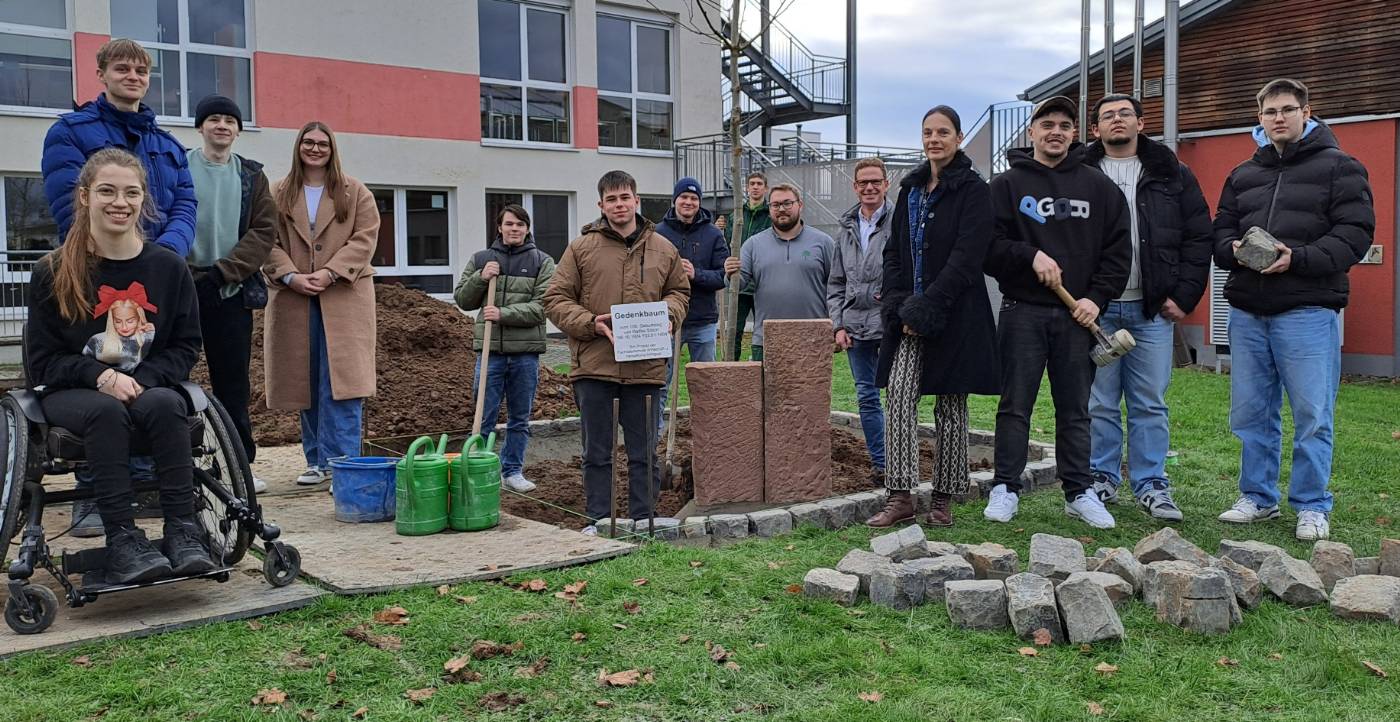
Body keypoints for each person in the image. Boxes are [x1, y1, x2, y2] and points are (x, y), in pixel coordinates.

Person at [27, 148, 209, 584]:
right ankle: (123, 538)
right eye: (107, 191)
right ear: (85, 196)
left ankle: (183, 529)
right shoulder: (54, 271)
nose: (119, 202)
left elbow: (185, 347)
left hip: (146, 387)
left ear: (143, 200)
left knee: (168, 404)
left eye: (131, 193)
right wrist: (101, 376)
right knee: (104, 410)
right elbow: (43, 362)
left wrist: (141, 378)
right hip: (75, 393)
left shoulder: (168, 267)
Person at [40, 37, 198, 536]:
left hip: (150, 262)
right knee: (104, 404)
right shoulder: (71, 132)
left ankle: (178, 520)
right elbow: (70, 201)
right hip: (94, 264)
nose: (133, 76)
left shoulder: (167, 145)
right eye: (122, 68)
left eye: (142, 70)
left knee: (163, 398)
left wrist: (159, 257)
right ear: (103, 73)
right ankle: (102, 500)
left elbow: (184, 205)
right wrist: (105, 250)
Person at [1212, 79, 1375, 541]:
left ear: (1307, 112)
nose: (1279, 118)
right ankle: (1258, 498)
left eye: (1288, 109)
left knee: (1312, 413)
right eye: (1270, 112)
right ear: (1259, 117)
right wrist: (1233, 249)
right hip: (1248, 312)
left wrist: (1295, 259)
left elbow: (1354, 235)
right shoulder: (1243, 173)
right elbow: (1220, 228)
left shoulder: (1341, 167)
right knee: (1251, 412)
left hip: (1307, 310)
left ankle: (1311, 504)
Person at [982, 95, 1131, 530]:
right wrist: (1029, 255)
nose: (1055, 131)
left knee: (1075, 408)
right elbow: (987, 247)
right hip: (1022, 312)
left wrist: (1095, 299)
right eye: (1047, 124)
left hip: (1076, 317)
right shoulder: (1006, 187)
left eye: (1065, 125)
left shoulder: (1098, 187)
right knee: (1016, 406)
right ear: (1032, 133)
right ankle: (1005, 487)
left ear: (1074, 134)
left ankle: (1078, 490)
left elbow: (1118, 252)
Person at [866, 106, 1000, 528]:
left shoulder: (974, 191)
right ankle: (900, 494)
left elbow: (967, 257)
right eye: (927, 132)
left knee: (950, 406)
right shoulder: (910, 190)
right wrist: (901, 303)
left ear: (958, 138)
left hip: (955, 314)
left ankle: (943, 497)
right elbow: (894, 252)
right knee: (900, 397)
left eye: (943, 132)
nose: (934, 139)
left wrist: (929, 305)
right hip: (907, 315)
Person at [1083, 93, 1214, 522]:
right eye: (1107, 116)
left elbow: (1199, 236)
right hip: (1098, 310)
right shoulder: (1080, 173)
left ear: (1141, 123)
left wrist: (1185, 295)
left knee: (1149, 402)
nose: (1116, 120)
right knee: (1100, 401)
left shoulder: (1172, 173)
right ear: (1095, 129)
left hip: (1152, 310)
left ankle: (1152, 483)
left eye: (1125, 114)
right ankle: (1101, 478)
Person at [543, 171, 689, 534]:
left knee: (644, 451)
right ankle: (598, 518)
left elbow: (680, 293)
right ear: (601, 205)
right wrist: (591, 323)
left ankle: (644, 518)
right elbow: (555, 299)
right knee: (598, 452)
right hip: (595, 366)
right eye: (611, 199)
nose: (619, 205)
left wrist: (669, 314)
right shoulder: (580, 248)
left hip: (646, 366)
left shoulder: (664, 248)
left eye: (625, 197)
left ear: (636, 201)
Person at [263, 122, 380, 488]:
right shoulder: (279, 191)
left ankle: (344, 462)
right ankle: (316, 460)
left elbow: (365, 238)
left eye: (322, 143)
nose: (315, 149)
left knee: (342, 382)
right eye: (308, 142)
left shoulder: (354, 191)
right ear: (298, 147)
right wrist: (289, 275)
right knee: (306, 381)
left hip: (343, 295)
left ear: (332, 149)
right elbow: (265, 239)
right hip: (295, 297)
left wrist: (331, 272)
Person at [186, 95, 278, 494]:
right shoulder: (179, 166)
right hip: (182, 289)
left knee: (232, 385)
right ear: (201, 126)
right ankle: (177, 465)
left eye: (229, 120)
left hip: (230, 290)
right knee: (172, 380)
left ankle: (240, 465)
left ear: (238, 130)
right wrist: (181, 273)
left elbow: (263, 231)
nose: (222, 125)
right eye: (214, 119)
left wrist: (224, 271)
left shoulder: (253, 176)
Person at [454, 204, 556, 493]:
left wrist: (503, 314)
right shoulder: (482, 259)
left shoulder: (542, 261)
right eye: (509, 224)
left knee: (519, 417)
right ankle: (480, 469)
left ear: (527, 228)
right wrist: (481, 278)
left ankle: (513, 471)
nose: (514, 229)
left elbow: (541, 307)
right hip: (490, 354)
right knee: (482, 415)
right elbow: (462, 299)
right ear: (499, 227)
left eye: (520, 225)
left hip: (525, 354)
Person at [828, 158, 894, 486]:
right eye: (863, 183)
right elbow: (836, 283)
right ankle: (882, 464)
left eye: (875, 182)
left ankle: (901, 459)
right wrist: (838, 325)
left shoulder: (901, 223)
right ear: (855, 187)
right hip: (855, 326)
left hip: (890, 323)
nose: (869, 188)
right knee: (867, 395)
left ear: (886, 184)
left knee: (898, 394)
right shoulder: (846, 228)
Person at [722, 184, 835, 361]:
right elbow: (739, 284)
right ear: (769, 209)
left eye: (787, 203)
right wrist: (730, 273)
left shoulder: (823, 243)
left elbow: (836, 287)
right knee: (769, 390)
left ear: (800, 205)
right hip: (767, 339)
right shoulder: (753, 244)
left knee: (809, 389)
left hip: (813, 338)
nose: (781, 209)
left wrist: (835, 326)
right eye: (775, 205)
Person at [655, 177, 729, 429]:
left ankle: (708, 436)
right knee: (660, 382)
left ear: (699, 203)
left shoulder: (713, 234)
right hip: (665, 321)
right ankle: (655, 438)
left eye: (694, 198)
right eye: (683, 197)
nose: (688, 202)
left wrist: (696, 274)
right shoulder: (657, 233)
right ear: (675, 200)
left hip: (702, 321)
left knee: (706, 382)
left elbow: (723, 276)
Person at [725, 172, 772, 359]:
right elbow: (728, 243)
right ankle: (732, 367)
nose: (755, 187)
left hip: (762, 284)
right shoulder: (735, 216)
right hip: (740, 283)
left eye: (759, 183)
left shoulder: (770, 215)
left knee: (765, 331)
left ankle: (764, 364)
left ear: (765, 188)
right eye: (751, 183)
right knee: (734, 331)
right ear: (746, 187)